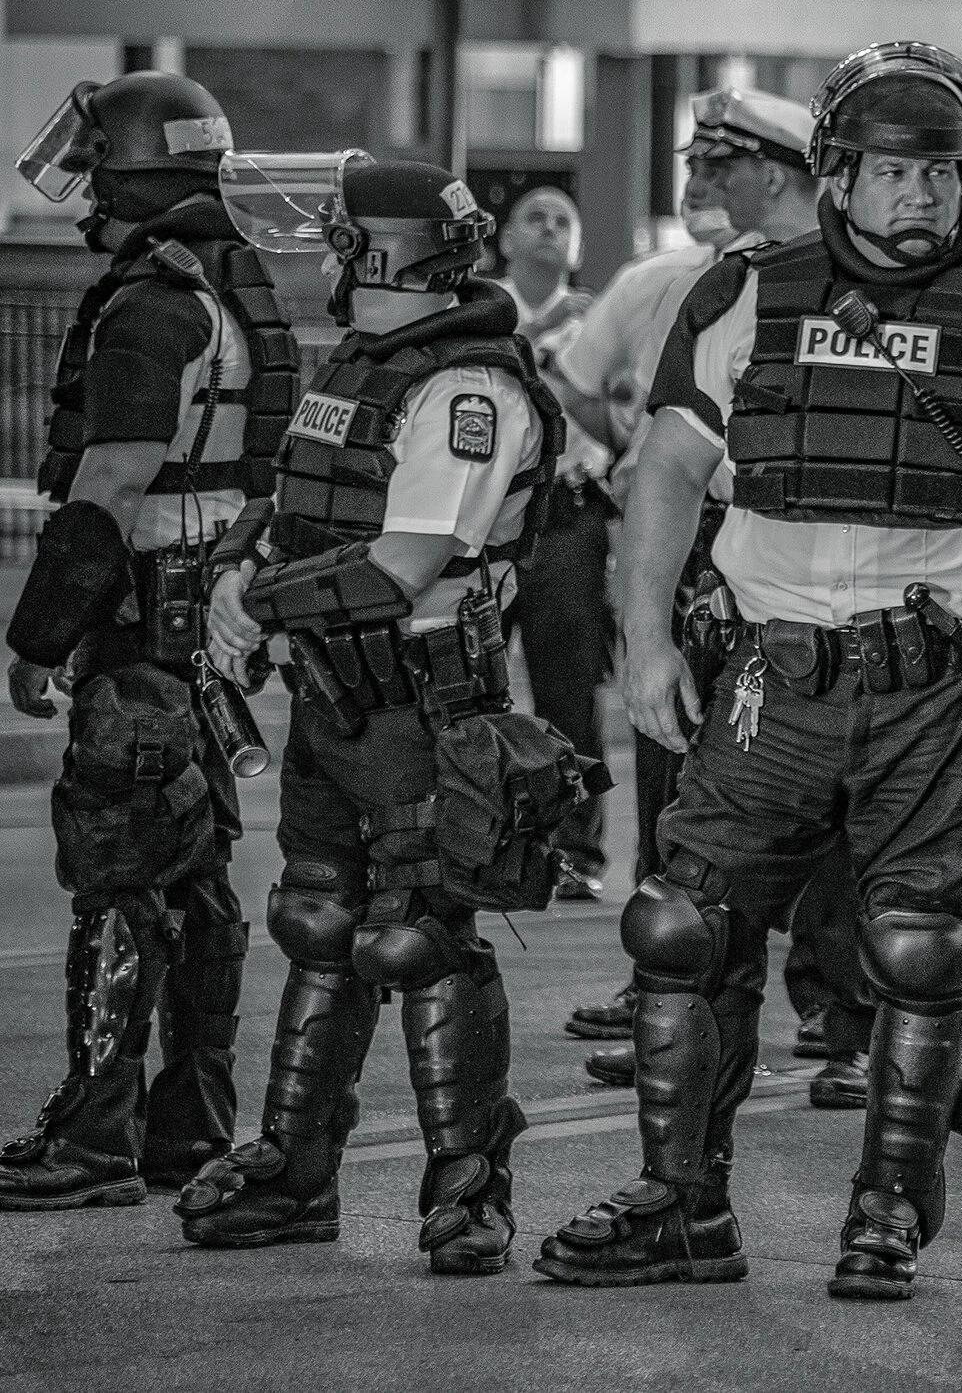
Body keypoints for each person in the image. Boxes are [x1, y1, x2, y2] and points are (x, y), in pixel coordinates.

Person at [533, 41, 962, 1302]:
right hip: (769, 674)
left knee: (919, 946)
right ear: (838, 173)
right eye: (891, 171)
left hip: (942, 686)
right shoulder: (746, 294)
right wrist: (643, 641)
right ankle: (680, 1206)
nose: (918, 194)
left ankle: (888, 1214)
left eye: (943, 171)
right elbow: (669, 471)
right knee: (683, 926)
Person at [173, 153, 572, 1275]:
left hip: (422, 703)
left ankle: (470, 1186)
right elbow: (301, 503)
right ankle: (296, 1171)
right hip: (334, 697)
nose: (327, 249)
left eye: (341, 233)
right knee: (318, 922)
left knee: (422, 936)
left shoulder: (466, 386)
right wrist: (240, 568)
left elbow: (403, 563)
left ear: (377, 252)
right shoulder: (361, 360)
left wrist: (254, 599)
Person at [0, 72, 295, 1209]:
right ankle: (190, 1126)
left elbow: (109, 482)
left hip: (142, 632)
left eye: (93, 162)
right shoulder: (233, 290)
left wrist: (40, 634)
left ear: (128, 169)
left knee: (121, 878)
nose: (82, 187)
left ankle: (94, 1138)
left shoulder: (149, 305)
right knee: (198, 879)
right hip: (209, 631)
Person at [538, 90, 848, 1090]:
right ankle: (686, 1004)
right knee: (692, 796)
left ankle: (840, 1017)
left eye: (718, 165)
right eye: (696, 165)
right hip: (707, 547)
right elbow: (629, 427)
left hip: (825, 566)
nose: (696, 185)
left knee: (833, 801)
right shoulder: (698, 282)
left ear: (777, 169)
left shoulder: (855, 277)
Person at [492, 185, 611, 899]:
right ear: (504, 239)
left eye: (562, 219)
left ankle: (575, 851)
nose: (548, 228)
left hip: (567, 517)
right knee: (469, 685)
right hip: (487, 519)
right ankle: (482, 833)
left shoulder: (598, 320)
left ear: (577, 245)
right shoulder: (476, 307)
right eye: (533, 217)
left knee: (569, 692)